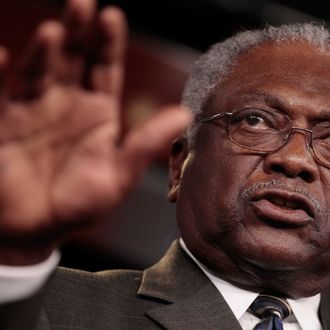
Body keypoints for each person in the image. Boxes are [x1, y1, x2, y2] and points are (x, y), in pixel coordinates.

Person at [0, 0, 330, 329]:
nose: (295, 159)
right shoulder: (48, 307)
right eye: (256, 121)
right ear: (178, 167)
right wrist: (17, 256)